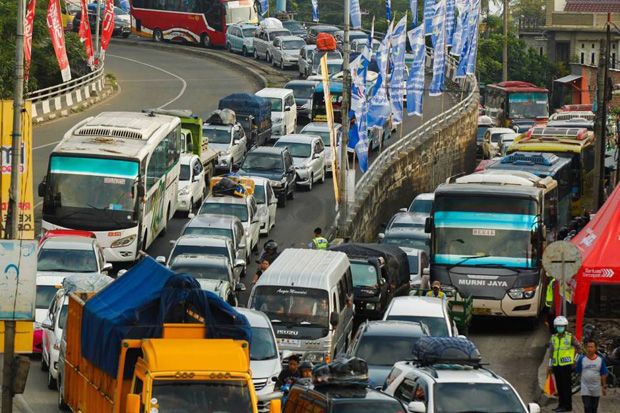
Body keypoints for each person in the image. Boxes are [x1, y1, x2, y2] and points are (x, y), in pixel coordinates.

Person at [548, 316, 581, 412]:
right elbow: (551, 353)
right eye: (558, 326)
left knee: (566, 387)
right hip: (557, 365)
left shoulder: (570, 337)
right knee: (559, 386)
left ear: (565, 327)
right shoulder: (553, 338)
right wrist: (550, 365)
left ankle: (567, 406)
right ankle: (561, 405)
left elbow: (579, 349)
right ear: (555, 327)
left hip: (566, 366)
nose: (560, 328)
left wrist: (575, 360)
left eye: (562, 326)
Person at [576, 339, 608, 413]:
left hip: (596, 388)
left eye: (591, 347)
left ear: (595, 348)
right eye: (588, 347)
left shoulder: (600, 360)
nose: (589, 349)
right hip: (585, 387)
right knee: (587, 407)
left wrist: (604, 387)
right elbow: (578, 371)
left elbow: (603, 374)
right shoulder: (581, 359)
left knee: (594, 408)